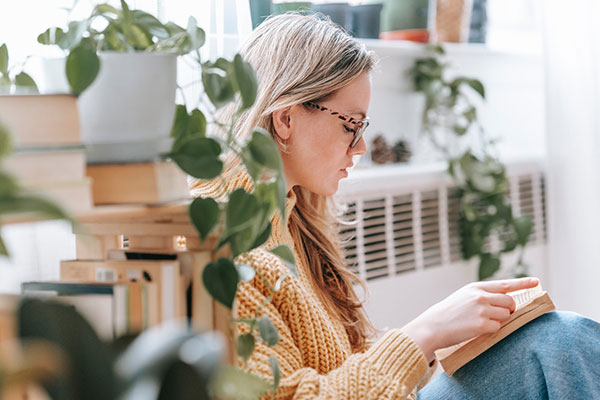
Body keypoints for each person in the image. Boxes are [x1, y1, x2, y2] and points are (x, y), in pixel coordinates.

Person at [190, 13, 600, 399]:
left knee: (559, 339)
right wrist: (424, 332)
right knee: (559, 343)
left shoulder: (293, 222)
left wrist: (446, 330)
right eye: (350, 125)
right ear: (284, 120)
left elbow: (347, 366)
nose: (362, 147)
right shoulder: (223, 246)